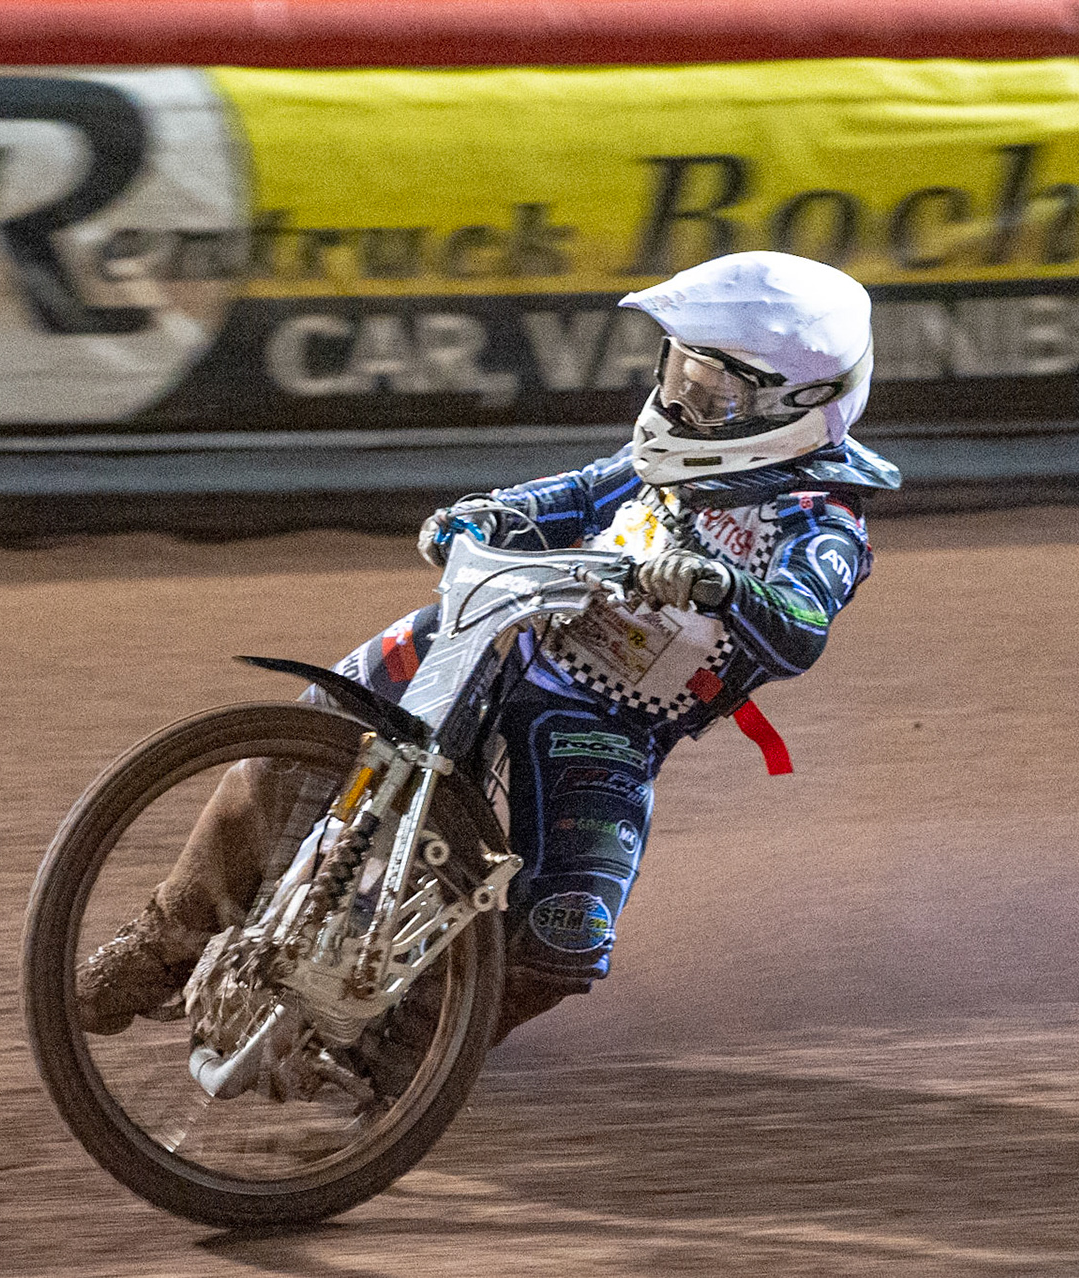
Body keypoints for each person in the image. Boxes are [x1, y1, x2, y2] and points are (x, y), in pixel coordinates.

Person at [75, 250, 900, 1045]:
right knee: (312, 729)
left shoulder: (823, 520)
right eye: (682, 373)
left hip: (606, 716)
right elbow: (578, 493)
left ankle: (421, 1047)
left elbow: (799, 627)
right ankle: (164, 942)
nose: (684, 404)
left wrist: (721, 586)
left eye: (714, 393)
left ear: (803, 403)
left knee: (564, 937)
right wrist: (487, 513)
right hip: (503, 629)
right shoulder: (664, 455)